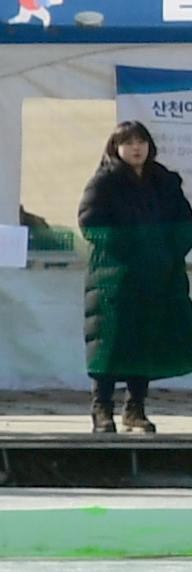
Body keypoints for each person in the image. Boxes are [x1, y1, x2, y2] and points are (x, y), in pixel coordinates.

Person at [78, 120, 192, 434]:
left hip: (158, 277)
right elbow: (90, 222)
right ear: (115, 148)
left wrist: (169, 253)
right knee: (109, 344)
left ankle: (135, 408)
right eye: (128, 142)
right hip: (114, 279)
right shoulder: (104, 182)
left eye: (140, 141)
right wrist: (131, 249)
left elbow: (185, 221)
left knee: (145, 343)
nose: (136, 147)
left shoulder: (164, 181)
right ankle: (101, 409)